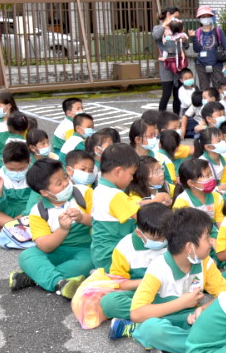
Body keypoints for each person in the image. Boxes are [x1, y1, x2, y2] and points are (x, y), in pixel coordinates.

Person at [128, 207, 226, 353]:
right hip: (164, 320)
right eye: (207, 238)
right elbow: (136, 313)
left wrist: (203, 309)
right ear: (190, 247)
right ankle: (205, 349)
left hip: (192, 320)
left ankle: (176, 351)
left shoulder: (205, 263)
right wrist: (182, 303)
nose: (211, 241)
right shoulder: (159, 268)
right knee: (151, 329)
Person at [12, 158, 95, 297]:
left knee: (88, 263)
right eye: (59, 183)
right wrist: (63, 230)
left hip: (86, 248)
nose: (65, 184)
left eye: (65, 177)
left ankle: (35, 277)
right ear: (44, 192)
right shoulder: (37, 212)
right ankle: (60, 283)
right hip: (56, 250)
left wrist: (81, 218)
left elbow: (101, 221)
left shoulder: (84, 193)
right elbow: (45, 246)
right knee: (27, 256)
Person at [102, 202, 172, 337]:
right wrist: (150, 281)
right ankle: (160, 319)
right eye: (157, 238)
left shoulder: (173, 240)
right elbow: (119, 283)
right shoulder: (124, 248)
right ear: (139, 233)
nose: (163, 241)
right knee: (109, 303)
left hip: (168, 292)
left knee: (188, 299)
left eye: (165, 236)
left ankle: (137, 324)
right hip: (139, 294)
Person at [90, 143, 143, 271]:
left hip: (101, 255)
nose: (132, 178)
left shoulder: (100, 189)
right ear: (119, 171)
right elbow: (143, 217)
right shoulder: (115, 195)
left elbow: (131, 205)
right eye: (131, 174)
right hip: (113, 257)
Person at [191, 5, 226, 91]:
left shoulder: (217, 31)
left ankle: (218, 104)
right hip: (201, 64)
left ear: (211, 17)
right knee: (204, 89)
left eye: (207, 16)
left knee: (219, 88)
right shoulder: (197, 32)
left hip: (216, 64)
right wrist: (193, 38)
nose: (205, 18)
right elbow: (196, 50)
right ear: (199, 18)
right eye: (203, 17)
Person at [153, 6, 182, 114]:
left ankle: (176, 117)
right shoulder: (158, 28)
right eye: (175, 17)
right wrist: (165, 24)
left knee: (177, 93)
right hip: (165, 64)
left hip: (179, 63)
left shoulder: (177, 28)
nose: (177, 19)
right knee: (166, 93)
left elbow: (185, 46)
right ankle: (161, 117)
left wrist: (184, 39)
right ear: (169, 15)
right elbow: (156, 36)